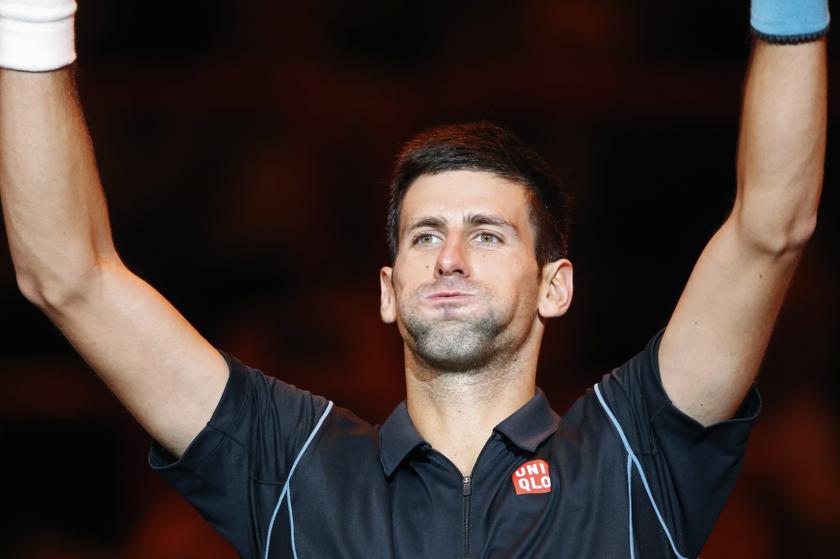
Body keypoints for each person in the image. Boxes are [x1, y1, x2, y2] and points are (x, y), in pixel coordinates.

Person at [0, 1, 828, 557]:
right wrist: (30, 15)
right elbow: (68, 276)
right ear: (390, 291)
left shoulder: (633, 455)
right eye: (425, 233)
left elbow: (770, 230)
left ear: (556, 286)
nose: (450, 254)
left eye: (489, 232)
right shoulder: (293, 466)